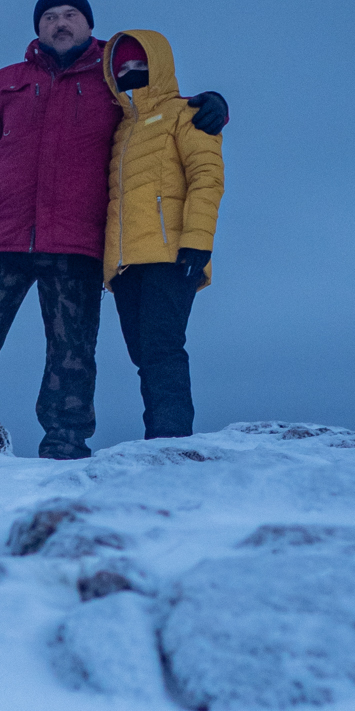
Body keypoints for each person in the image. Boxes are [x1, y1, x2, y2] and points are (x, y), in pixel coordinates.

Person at [0, 0, 227, 459]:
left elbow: (155, 103)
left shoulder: (111, 78)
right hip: (2, 234)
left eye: (71, 14)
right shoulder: (6, 81)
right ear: (38, 28)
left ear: (89, 24)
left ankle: (65, 446)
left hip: (77, 241)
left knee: (72, 353)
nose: (61, 23)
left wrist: (211, 102)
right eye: (50, 16)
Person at [101, 29, 225, 441]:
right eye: (122, 68)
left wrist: (197, 242)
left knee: (162, 347)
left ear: (159, 65)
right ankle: (157, 437)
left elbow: (207, 178)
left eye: (141, 64)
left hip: (172, 254)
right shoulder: (120, 130)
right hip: (126, 263)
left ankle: (171, 439)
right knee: (142, 353)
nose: (131, 73)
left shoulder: (185, 113)